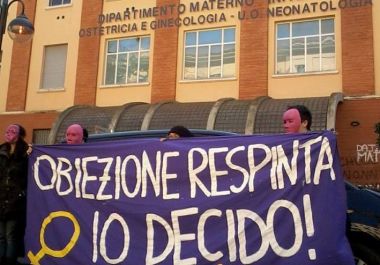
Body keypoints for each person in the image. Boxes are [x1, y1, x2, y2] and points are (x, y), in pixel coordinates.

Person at [0, 124, 29, 265]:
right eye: (7, 130)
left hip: (15, 202)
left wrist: (21, 193)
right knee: (1, 236)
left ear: (19, 135)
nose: (9, 133)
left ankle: (9, 261)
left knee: (11, 235)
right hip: (1, 199)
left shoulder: (25, 153)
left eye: (13, 131)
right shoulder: (1, 151)